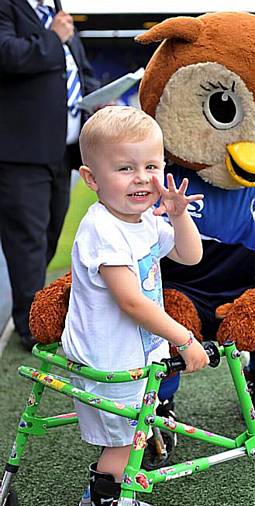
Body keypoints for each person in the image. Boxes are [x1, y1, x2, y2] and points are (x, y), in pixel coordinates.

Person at [61, 106, 209, 506]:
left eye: (151, 166)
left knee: (126, 440)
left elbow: (190, 255)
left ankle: (102, 500)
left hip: (132, 358)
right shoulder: (103, 228)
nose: (141, 178)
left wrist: (179, 215)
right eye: (125, 168)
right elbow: (131, 300)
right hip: (109, 363)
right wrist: (185, 338)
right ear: (92, 178)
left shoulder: (142, 219)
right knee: (123, 445)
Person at [0, 0, 99, 351]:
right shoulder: (9, 8)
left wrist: (101, 97)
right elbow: (7, 55)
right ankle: (31, 326)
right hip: (20, 152)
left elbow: (81, 72)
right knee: (28, 240)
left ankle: (35, 309)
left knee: (51, 231)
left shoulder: (59, 15)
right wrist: (52, 38)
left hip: (62, 149)